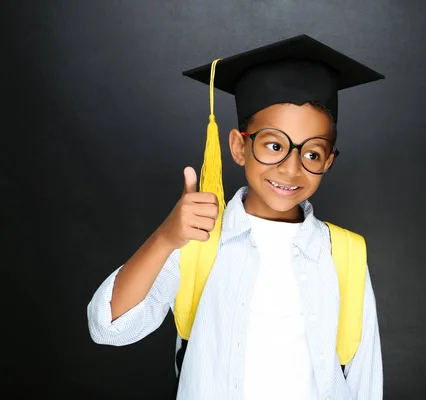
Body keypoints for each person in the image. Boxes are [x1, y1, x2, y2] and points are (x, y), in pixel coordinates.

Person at [87, 34, 385, 399]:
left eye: (312, 153)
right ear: (238, 146)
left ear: (329, 160)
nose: (291, 169)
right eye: (273, 145)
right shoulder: (198, 240)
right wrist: (166, 238)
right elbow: (109, 328)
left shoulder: (346, 253)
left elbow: (364, 378)